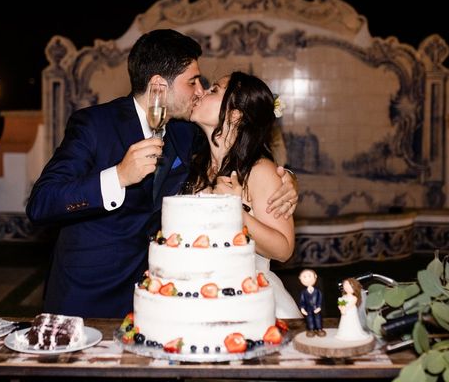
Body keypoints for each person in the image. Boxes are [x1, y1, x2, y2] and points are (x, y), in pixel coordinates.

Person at [26, 29, 298, 318]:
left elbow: (241, 151)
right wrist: (117, 177)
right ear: (159, 86)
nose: (199, 91)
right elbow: (42, 202)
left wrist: (286, 179)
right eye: (192, 81)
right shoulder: (94, 125)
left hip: (160, 299)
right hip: (88, 292)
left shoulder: (184, 132)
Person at [187, 71, 301, 318]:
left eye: (214, 90)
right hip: (196, 297)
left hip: (249, 302)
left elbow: (283, 249)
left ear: (235, 114)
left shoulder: (260, 171)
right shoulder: (196, 167)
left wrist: (235, 213)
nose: (202, 93)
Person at [298, 269, 325, 337]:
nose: (307, 279)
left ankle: (319, 329)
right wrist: (302, 308)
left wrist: (319, 307)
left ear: (315, 276)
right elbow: (302, 301)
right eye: (304, 277)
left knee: (318, 319)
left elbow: (320, 299)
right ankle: (311, 330)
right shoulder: (303, 293)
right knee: (309, 320)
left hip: (316, 309)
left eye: (309, 276)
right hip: (308, 309)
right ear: (300, 278)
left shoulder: (318, 291)